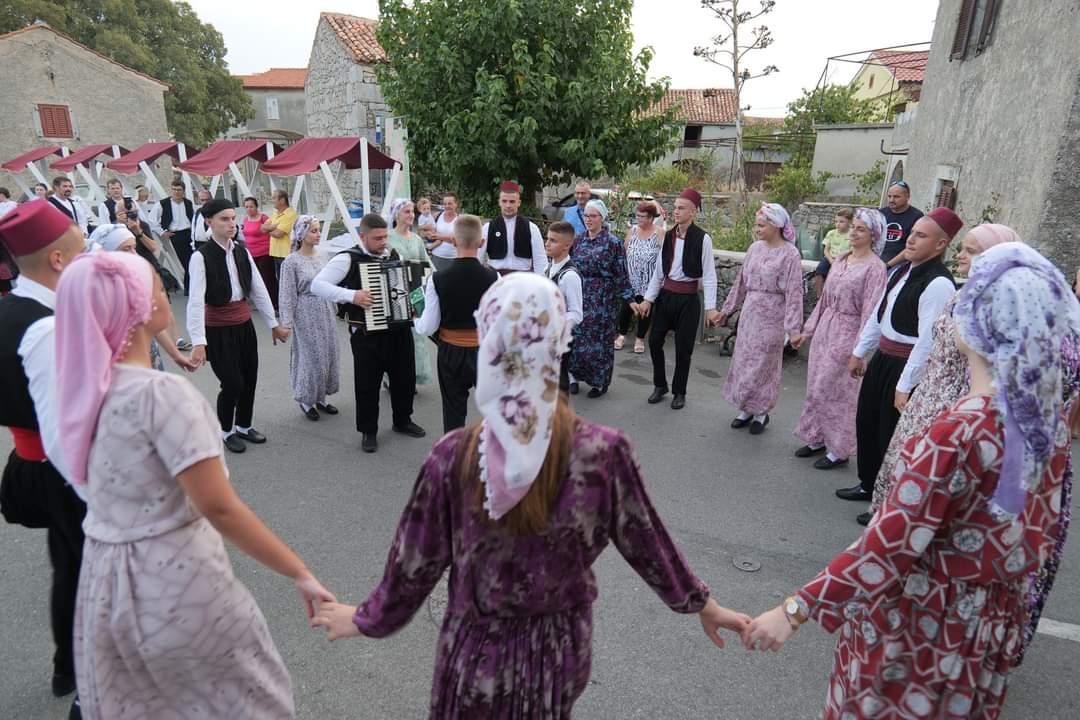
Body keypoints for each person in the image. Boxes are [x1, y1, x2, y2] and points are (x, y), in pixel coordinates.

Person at [310, 273, 750, 718]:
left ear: (489, 343)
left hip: (475, 655)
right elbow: (649, 543)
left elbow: (413, 565)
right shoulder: (603, 454)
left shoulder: (452, 457)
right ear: (559, 343)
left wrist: (368, 619)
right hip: (560, 652)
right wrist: (702, 605)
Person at [745, 241, 1080, 720]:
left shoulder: (959, 431)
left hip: (922, 626)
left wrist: (796, 610)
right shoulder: (1044, 425)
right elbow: (1035, 540)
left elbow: (890, 543)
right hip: (985, 626)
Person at [54, 250, 335, 720]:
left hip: (105, 578)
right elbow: (219, 508)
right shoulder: (160, 396)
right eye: (157, 287)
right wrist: (299, 571)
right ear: (138, 309)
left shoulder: (83, 389)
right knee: (247, 696)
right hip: (170, 576)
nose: (167, 293)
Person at [0, 200, 87, 716]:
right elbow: (64, 434)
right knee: (92, 572)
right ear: (57, 261)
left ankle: (66, 666)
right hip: (62, 473)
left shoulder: (11, 308)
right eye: (79, 252)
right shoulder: (47, 327)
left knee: (69, 567)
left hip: (28, 463)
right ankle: (89, 681)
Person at [836, 207, 961, 507]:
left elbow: (927, 340)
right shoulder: (902, 271)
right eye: (912, 232)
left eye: (921, 235)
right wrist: (860, 352)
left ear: (941, 245)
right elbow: (880, 313)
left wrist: (905, 385)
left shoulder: (938, 283)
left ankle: (884, 500)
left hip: (905, 365)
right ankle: (868, 484)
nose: (911, 239)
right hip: (884, 357)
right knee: (866, 422)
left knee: (889, 434)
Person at [311, 213, 426, 453]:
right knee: (367, 384)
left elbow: (409, 286)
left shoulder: (395, 255)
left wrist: (416, 308)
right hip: (366, 334)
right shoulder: (348, 259)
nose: (384, 241)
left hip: (399, 330)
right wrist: (353, 295)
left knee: (404, 378)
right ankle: (368, 431)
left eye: (385, 236)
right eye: (377, 238)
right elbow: (317, 285)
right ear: (363, 236)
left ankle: (402, 420)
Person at [187, 199, 288, 454]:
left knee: (249, 377)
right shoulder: (201, 257)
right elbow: (196, 301)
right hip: (218, 329)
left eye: (233, 218)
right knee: (232, 383)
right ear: (209, 222)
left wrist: (273, 324)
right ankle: (226, 430)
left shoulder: (242, 251)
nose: (231, 223)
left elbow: (258, 289)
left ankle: (244, 425)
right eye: (224, 219)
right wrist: (199, 341)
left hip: (243, 324)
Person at [792, 208, 887, 470]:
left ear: (873, 235)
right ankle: (816, 437)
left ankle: (839, 448)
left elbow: (870, 312)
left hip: (848, 332)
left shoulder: (875, 269)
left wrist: (860, 351)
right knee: (815, 386)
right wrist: (807, 331)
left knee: (836, 391)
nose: (854, 232)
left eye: (861, 229)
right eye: (853, 227)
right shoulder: (842, 259)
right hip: (826, 329)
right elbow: (823, 301)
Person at [718, 203, 803, 432]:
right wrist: (727, 310)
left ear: (776, 226)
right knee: (745, 361)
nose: (757, 229)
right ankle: (746, 408)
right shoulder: (754, 249)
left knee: (763, 364)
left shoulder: (790, 254)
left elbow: (794, 294)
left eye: (761, 225)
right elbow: (741, 283)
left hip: (773, 315)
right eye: (757, 225)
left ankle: (761, 413)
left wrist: (794, 329)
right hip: (750, 313)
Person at [636, 189, 720, 410]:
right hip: (666, 296)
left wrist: (711, 308)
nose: (676, 212)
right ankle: (660, 384)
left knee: (684, 349)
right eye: (675, 208)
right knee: (654, 341)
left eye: (681, 208)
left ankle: (679, 391)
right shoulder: (669, 235)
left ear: (692, 212)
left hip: (689, 300)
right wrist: (648, 299)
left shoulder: (703, 239)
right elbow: (659, 270)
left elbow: (710, 274)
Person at [414, 214, 498, 431]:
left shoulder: (437, 278)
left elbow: (429, 326)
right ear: (482, 243)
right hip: (484, 351)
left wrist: (415, 320)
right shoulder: (494, 277)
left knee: (453, 411)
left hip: (451, 351)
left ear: (453, 240)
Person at [87, 223, 195, 374]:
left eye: (134, 248)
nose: (133, 254)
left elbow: (150, 321)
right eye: (126, 249)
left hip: (147, 353)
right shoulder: (98, 290)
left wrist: (175, 355)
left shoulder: (134, 281)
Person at [565, 198, 633, 399]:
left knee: (599, 344)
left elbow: (621, 274)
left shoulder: (613, 243)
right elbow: (567, 265)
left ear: (602, 218)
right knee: (575, 340)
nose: (588, 219)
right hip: (579, 295)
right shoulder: (578, 240)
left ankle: (599, 382)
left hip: (602, 300)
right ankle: (572, 377)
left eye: (593, 216)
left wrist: (630, 299)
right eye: (586, 215)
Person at [275, 215, 340, 422]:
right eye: (313, 230)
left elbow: (331, 283)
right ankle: (306, 399)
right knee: (311, 356)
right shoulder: (291, 262)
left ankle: (321, 397)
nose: (318, 234)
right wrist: (286, 322)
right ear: (302, 233)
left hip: (325, 309)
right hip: (305, 311)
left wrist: (337, 305)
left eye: (319, 230)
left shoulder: (322, 256)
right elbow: (286, 293)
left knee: (328, 352)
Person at [387, 198, 435, 386]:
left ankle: (414, 375)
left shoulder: (416, 239)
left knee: (417, 334)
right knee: (396, 335)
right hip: (395, 291)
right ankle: (393, 377)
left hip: (415, 292)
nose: (411, 215)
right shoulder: (388, 238)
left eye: (412, 212)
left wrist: (435, 281)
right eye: (407, 212)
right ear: (397, 214)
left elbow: (427, 264)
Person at [615, 201, 662, 354]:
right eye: (637, 216)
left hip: (649, 280)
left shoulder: (659, 233)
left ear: (650, 218)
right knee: (625, 309)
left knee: (645, 311)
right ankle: (621, 335)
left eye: (642, 217)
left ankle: (640, 338)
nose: (638, 219)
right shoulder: (633, 231)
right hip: (631, 279)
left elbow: (665, 256)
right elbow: (623, 252)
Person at [544, 220, 584, 393]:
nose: (547, 243)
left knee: (558, 384)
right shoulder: (549, 268)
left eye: (553, 240)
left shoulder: (569, 276)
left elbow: (576, 313)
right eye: (547, 239)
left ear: (567, 245)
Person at [479, 181, 548, 275]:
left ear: (518, 203)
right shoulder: (488, 228)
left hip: (522, 279)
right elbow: (479, 257)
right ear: (499, 202)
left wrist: (541, 284)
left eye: (512, 202)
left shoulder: (531, 228)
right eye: (504, 201)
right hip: (496, 279)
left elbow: (540, 260)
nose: (508, 205)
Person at [155, 179, 196, 294]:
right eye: (174, 189)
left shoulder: (188, 203)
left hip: (188, 233)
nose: (176, 192)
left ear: (183, 191)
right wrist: (162, 232)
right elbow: (152, 220)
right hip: (175, 235)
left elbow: (191, 218)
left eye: (179, 190)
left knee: (192, 260)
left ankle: (190, 287)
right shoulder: (162, 204)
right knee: (185, 262)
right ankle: (189, 288)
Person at [242, 196, 277, 311]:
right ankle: (262, 303)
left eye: (251, 206)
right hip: (251, 254)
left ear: (256, 207)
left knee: (268, 279)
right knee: (257, 281)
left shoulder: (263, 218)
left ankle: (275, 305)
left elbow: (272, 230)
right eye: (246, 207)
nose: (249, 209)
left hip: (264, 253)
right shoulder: (245, 220)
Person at [878, 180, 924, 268]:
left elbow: (912, 247)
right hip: (876, 262)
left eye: (896, 197)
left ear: (907, 197)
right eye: (889, 196)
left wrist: (888, 265)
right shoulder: (880, 214)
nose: (891, 200)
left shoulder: (916, 217)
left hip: (900, 265)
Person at [812, 207, 852, 297]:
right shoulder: (831, 233)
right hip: (830, 257)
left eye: (842, 222)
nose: (838, 224)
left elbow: (852, 251)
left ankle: (837, 296)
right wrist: (830, 260)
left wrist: (840, 260)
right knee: (819, 271)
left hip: (844, 260)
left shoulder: (852, 234)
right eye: (836, 221)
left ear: (849, 222)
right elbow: (826, 250)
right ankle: (819, 296)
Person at [263, 189, 297, 280]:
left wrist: (269, 228)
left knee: (287, 281)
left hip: (286, 254)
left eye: (274, 198)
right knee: (279, 280)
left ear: (282, 200)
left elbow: (278, 234)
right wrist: (273, 227)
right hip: (276, 253)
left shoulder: (290, 215)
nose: (272, 201)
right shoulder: (275, 214)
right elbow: (262, 228)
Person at [429, 191, 460, 272]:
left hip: (454, 258)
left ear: (456, 204)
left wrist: (439, 236)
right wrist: (449, 237)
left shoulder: (460, 220)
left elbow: (457, 240)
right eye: (445, 204)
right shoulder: (437, 216)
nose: (447, 206)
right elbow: (428, 234)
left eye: (450, 203)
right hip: (436, 257)